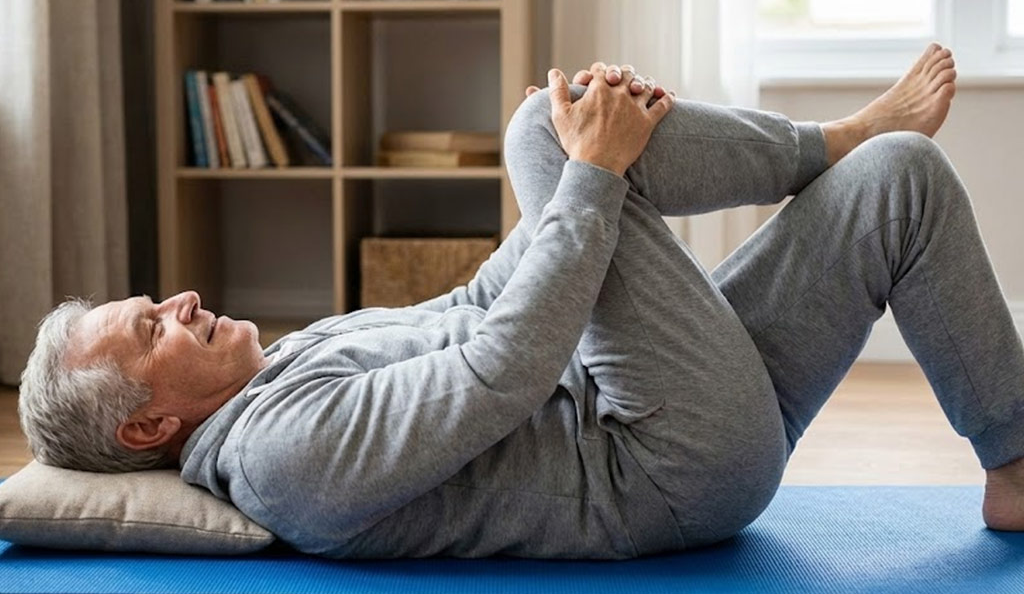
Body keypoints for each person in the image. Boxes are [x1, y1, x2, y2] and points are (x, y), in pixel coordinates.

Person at [18, 43, 1024, 559]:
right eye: (152, 325)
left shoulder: (288, 361)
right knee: (541, 135)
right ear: (150, 420)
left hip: (659, 403)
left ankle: (1014, 462)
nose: (181, 297)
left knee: (902, 176)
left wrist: (594, 174)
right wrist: (580, 170)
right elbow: (505, 368)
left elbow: (475, 299)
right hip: (670, 464)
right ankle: (822, 140)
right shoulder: (283, 454)